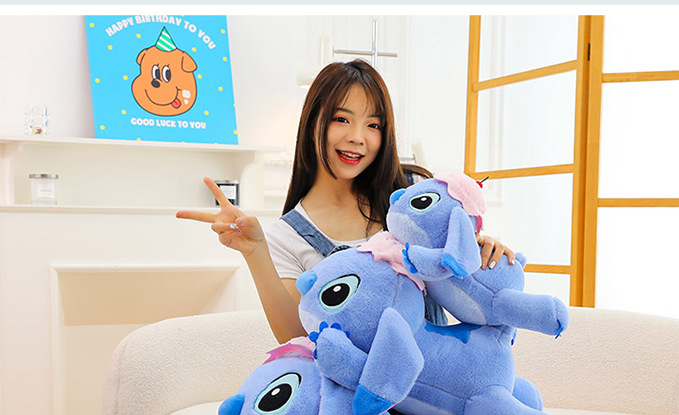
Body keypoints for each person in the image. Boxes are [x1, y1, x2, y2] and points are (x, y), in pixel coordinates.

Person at [177, 59, 514, 344]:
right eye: (342, 119)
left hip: (436, 382)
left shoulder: (413, 193)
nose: (357, 137)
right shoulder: (286, 236)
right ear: (313, 122)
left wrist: (482, 251)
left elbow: (465, 289)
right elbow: (296, 338)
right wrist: (255, 252)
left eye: (373, 125)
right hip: (358, 394)